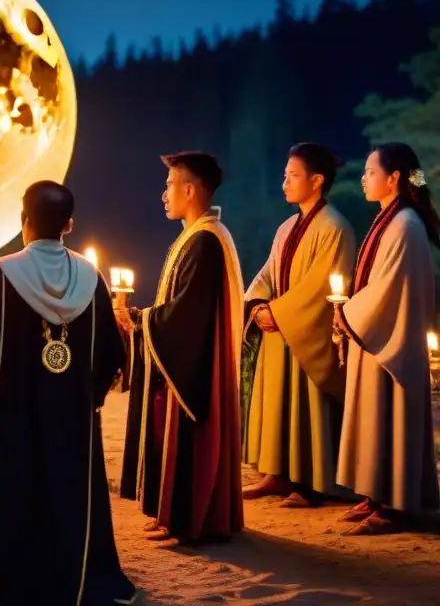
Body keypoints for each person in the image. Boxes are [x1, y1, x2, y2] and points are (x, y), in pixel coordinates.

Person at [0, 181, 137, 605]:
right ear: (68, 225)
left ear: (25, 222)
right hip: (72, 418)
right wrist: (88, 398)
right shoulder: (91, 278)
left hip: (13, 418)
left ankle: (6, 581)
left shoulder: (2, 273)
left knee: (12, 488)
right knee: (71, 489)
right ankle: (75, 576)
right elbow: (112, 351)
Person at [116, 152, 245, 545]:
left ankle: (190, 522)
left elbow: (188, 313)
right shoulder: (198, 235)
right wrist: (143, 320)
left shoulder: (205, 240)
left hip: (195, 363)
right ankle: (171, 515)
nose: (164, 194)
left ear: (190, 190)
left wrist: (140, 320)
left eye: (170, 185)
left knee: (187, 438)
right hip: (186, 356)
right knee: (165, 434)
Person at [333, 142, 440, 535]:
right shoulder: (390, 220)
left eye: (370, 172)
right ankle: (377, 496)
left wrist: (346, 313)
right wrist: (352, 314)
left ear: (393, 178)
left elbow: (388, 289)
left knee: (389, 417)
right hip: (375, 336)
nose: (363, 179)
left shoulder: (405, 225)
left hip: (390, 340)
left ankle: (396, 506)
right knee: (374, 418)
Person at [241, 144, 355, 507]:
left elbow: (322, 285)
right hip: (279, 329)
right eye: (284, 176)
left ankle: (310, 483)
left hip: (306, 333)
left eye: (293, 176)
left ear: (317, 180)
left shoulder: (335, 227)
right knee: (277, 401)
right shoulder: (287, 226)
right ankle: (275, 474)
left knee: (306, 405)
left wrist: (279, 313)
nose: (284, 183)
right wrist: (258, 304)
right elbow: (268, 272)